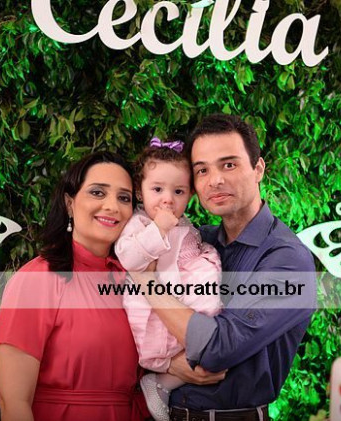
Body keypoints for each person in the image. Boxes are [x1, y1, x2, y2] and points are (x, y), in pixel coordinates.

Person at [132, 114, 317, 421]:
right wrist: (169, 365)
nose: (214, 180)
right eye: (202, 170)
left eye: (228, 165)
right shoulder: (195, 241)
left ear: (258, 169)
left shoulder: (288, 260)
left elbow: (216, 349)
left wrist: (145, 281)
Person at [0, 152, 150, 421]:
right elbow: (12, 402)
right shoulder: (37, 279)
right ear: (69, 204)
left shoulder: (134, 280)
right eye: (98, 192)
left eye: (124, 198)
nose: (112, 206)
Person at [115, 137, 222, 421]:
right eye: (157, 189)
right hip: (156, 305)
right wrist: (158, 230)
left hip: (184, 298)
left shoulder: (185, 223)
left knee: (206, 344)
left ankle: (163, 384)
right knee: (181, 349)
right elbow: (130, 259)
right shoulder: (139, 224)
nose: (168, 199)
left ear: (190, 194)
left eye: (178, 191)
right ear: (139, 192)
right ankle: (160, 383)